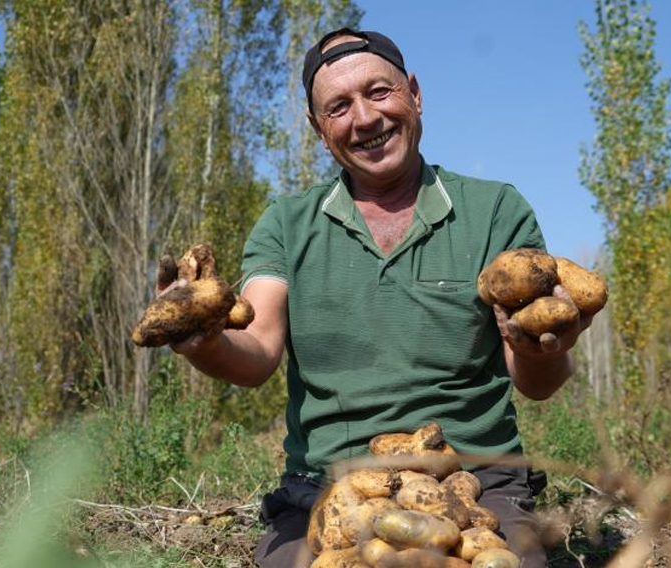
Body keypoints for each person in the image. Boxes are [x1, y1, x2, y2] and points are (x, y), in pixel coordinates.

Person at [159, 28, 592, 568]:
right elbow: (256, 353)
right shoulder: (287, 225)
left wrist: (543, 348)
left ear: (414, 93)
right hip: (325, 484)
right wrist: (199, 338)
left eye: (379, 92)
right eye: (338, 107)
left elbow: (536, 382)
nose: (364, 119)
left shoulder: (495, 211)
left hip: (475, 479)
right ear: (321, 132)